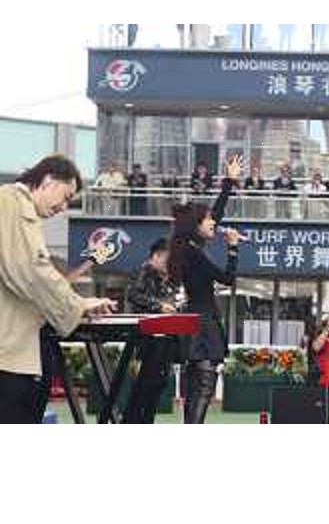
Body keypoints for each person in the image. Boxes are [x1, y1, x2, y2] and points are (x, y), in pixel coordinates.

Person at [0, 155, 116, 424]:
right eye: (65, 197)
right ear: (48, 181)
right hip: (9, 358)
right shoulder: (13, 202)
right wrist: (77, 305)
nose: (63, 207)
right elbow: (29, 270)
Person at [167, 155, 244, 424]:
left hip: (198, 319)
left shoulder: (189, 250)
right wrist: (233, 247)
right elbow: (227, 278)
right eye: (208, 220)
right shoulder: (193, 255)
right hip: (202, 321)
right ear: (196, 226)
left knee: (197, 384)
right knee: (203, 384)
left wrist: (228, 183)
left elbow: (216, 217)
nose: (214, 222)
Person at [123, 239, 180, 424]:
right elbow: (134, 295)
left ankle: (144, 420)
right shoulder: (143, 272)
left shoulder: (164, 278)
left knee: (158, 383)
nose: (170, 266)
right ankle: (135, 421)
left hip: (163, 336)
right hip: (148, 338)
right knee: (147, 383)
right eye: (167, 261)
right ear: (156, 255)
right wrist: (159, 306)